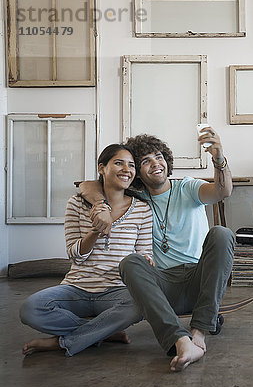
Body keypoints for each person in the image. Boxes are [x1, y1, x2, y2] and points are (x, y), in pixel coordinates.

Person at [80, 127, 234, 372]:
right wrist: (101, 205)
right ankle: (177, 339)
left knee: (222, 233)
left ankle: (199, 334)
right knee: (130, 262)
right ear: (137, 172)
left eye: (159, 157)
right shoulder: (135, 198)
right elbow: (87, 185)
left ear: (167, 161)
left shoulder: (187, 187)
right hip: (162, 285)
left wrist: (218, 158)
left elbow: (222, 191)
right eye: (145, 161)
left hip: (199, 278)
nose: (155, 164)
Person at [19, 144, 153, 357]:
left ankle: (66, 341)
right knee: (30, 309)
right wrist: (95, 233)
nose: (126, 169)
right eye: (118, 163)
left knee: (140, 305)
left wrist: (146, 260)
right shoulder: (76, 204)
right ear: (102, 168)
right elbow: (73, 254)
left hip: (116, 290)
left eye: (131, 165)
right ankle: (104, 331)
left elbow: (145, 251)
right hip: (77, 288)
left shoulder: (142, 209)